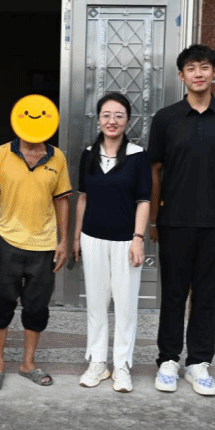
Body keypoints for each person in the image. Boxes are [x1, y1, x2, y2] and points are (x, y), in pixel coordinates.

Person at [147, 45, 215, 396]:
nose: (198, 74)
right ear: (181, 76)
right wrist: (154, 219)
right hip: (174, 222)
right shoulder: (166, 118)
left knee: (206, 295)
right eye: (191, 68)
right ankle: (168, 360)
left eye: (204, 67)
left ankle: (199, 363)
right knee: (173, 294)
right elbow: (154, 170)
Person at [0, 96, 72, 390]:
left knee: (37, 308)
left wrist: (63, 241)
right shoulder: (0, 154)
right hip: (6, 241)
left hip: (44, 246)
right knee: (1, 305)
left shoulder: (57, 157)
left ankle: (27, 363)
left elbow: (62, 200)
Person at [72, 93, 151, 393]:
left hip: (125, 242)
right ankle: (97, 362)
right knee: (96, 304)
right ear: (99, 119)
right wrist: (77, 237)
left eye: (119, 115)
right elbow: (83, 198)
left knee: (126, 306)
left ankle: (121, 366)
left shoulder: (138, 155)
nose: (112, 121)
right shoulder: (88, 155)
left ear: (128, 120)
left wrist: (138, 239)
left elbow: (144, 201)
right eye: (106, 115)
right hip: (92, 238)